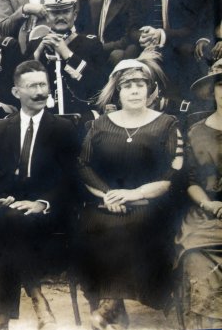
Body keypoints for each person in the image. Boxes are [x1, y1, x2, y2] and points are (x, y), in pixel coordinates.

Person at [75, 58, 183, 329]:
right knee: (94, 225)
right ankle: (114, 303)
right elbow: (83, 166)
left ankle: (110, 305)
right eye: (128, 86)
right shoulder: (99, 125)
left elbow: (172, 173)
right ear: (117, 91)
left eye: (140, 85)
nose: (135, 91)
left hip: (151, 204)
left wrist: (132, 194)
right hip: (106, 202)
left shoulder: (167, 124)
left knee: (134, 225)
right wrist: (109, 195)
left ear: (150, 90)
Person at [0, 60, 79, 330]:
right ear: (16, 93)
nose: (40, 92)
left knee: (7, 224)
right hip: (10, 209)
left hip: (51, 212)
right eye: (32, 86)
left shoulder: (63, 129)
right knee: (7, 219)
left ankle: (4, 317)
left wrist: (42, 203)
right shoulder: (0, 130)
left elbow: (72, 180)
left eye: (43, 85)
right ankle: (36, 297)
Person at [176, 59, 222, 329]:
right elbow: (191, 181)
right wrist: (210, 205)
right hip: (206, 212)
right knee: (196, 253)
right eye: (221, 85)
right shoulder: (196, 131)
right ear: (213, 91)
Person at [28, 0, 105, 118]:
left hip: (80, 116)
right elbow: (23, 82)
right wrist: (37, 53)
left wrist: (67, 54)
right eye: (55, 13)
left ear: (75, 14)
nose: (60, 17)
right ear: (47, 16)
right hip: (46, 118)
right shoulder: (36, 44)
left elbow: (97, 86)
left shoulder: (91, 43)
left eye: (65, 12)